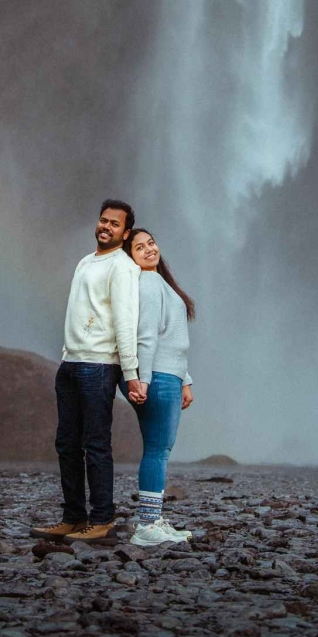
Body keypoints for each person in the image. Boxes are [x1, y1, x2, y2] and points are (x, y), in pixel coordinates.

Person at [31, 199, 143, 544]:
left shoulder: (122, 267)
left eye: (114, 224)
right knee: (66, 444)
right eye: (103, 220)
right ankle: (73, 517)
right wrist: (66, 357)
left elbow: (126, 322)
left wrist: (132, 372)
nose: (106, 227)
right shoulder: (85, 262)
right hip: (71, 363)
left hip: (98, 366)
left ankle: (102, 520)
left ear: (125, 234)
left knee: (95, 445)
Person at [123, 227, 196, 546]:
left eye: (151, 242)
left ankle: (152, 521)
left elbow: (173, 339)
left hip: (169, 375)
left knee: (159, 449)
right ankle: (147, 527)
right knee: (157, 449)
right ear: (130, 258)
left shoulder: (159, 281)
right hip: (158, 376)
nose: (149, 249)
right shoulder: (148, 282)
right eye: (139, 247)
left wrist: (186, 380)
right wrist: (144, 380)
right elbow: (147, 336)